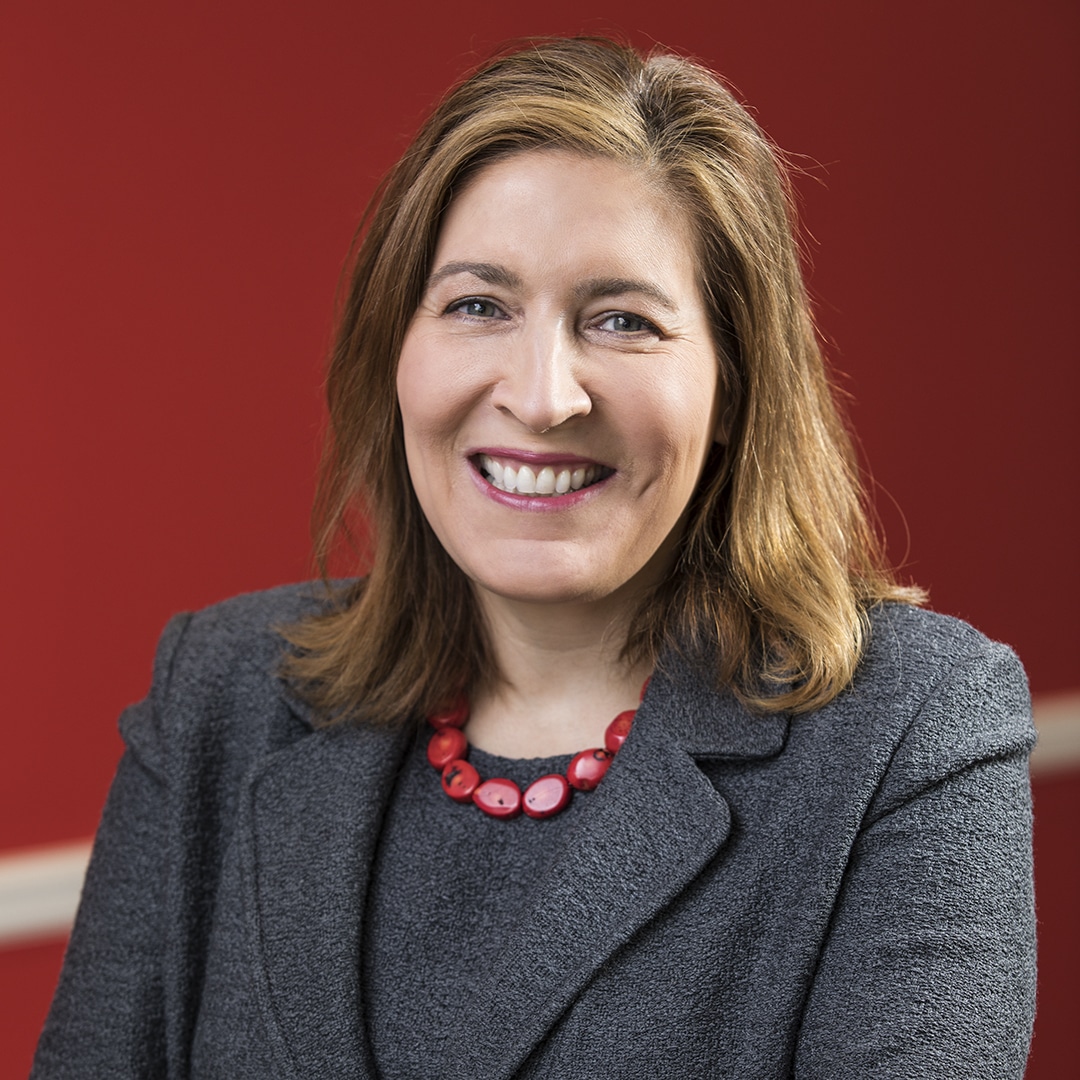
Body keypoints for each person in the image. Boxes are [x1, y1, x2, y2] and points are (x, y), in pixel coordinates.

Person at [33, 36, 1036, 1079]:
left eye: (621, 320)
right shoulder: (218, 694)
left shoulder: (912, 729)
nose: (543, 394)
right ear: (397, 354)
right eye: (478, 305)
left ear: (735, 389)